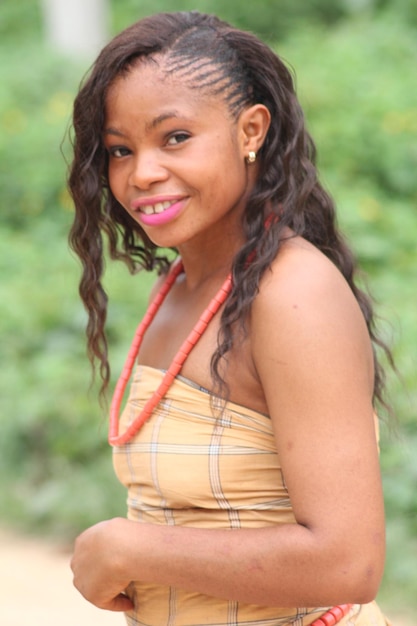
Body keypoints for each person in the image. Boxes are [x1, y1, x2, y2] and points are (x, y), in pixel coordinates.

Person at [68, 11, 393, 626]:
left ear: (251, 130)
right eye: (119, 150)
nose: (142, 173)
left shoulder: (292, 295)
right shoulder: (180, 290)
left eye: (175, 138)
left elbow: (349, 562)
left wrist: (131, 548)